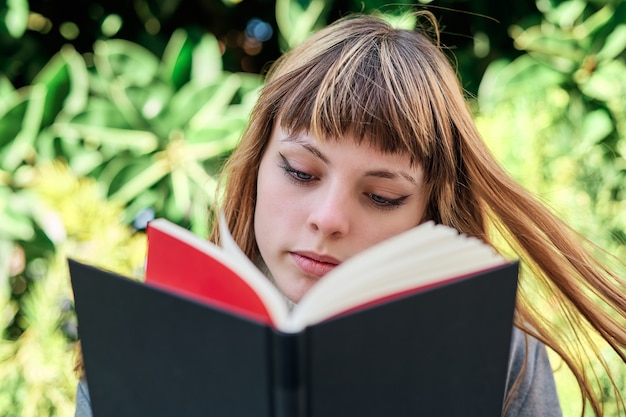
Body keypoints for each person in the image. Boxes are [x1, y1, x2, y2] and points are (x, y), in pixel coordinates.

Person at [74, 11, 626, 417]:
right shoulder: (137, 336)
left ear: (428, 212)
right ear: (257, 164)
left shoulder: (503, 356)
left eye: (383, 196)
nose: (329, 218)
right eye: (300, 172)